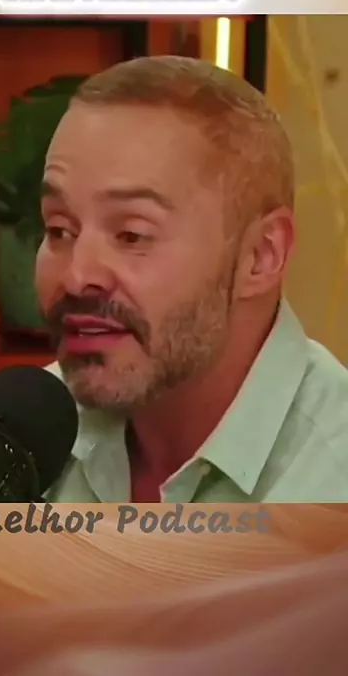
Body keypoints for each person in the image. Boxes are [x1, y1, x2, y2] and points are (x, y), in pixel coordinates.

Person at [35, 55, 348, 503]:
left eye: (131, 234)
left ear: (261, 256)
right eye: (59, 230)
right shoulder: (18, 442)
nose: (76, 276)